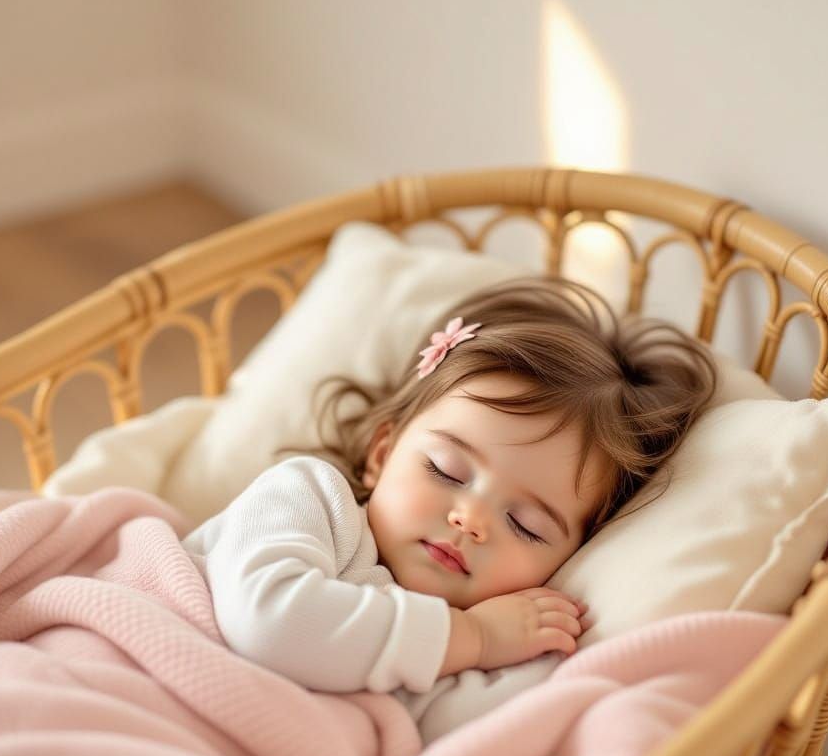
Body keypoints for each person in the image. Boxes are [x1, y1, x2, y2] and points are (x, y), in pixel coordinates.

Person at [183, 277, 716, 698]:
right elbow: (270, 622)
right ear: (383, 453)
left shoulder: (499, 641)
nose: (471, 518)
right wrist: (475, 638)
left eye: (525, 526)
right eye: (447, 471)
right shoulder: (311, 500)